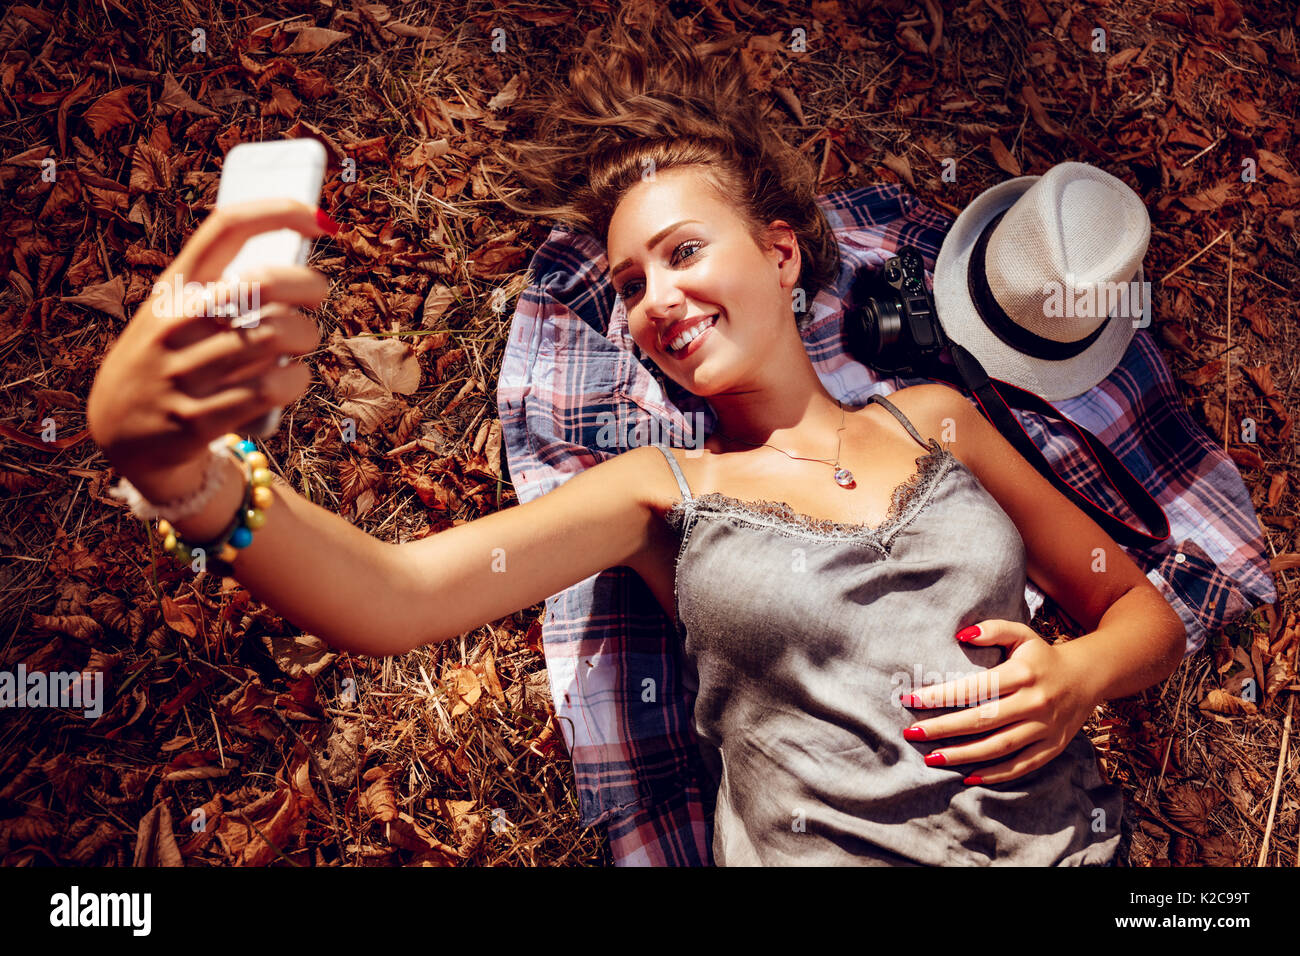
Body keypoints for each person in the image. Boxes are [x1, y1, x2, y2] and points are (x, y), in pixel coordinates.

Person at [87, 5, 1185, 865]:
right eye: (627, 282)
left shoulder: (934, 418)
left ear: (782, 253)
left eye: (682, 252)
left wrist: (1077, 676)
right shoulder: (656, 490)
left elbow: (1137, 607)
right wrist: (193, 478)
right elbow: (393, 597)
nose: (651, 300)